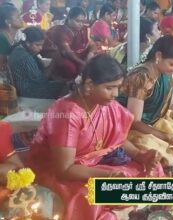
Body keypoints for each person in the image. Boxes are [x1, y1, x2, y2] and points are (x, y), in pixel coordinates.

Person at [28, 54, 163, 220]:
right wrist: (108, 176)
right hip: (63, 172)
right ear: (89, 85)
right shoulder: (67, 114)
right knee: (91, 196)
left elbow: (118, 140)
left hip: (93, 164)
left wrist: (140, 155)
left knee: (152, 169)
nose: (115, 94)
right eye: (109, 87)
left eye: (118, 87)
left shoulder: (106, 104)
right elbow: (64, 170)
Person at [118, 36, 173, 166]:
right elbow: (134, 122)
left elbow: (171, 103)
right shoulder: (141, 77)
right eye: (172, 64)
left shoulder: (166, 74)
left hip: (151, 123)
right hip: (128, 129)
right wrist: (164, 136)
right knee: (159, 154)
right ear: (158, 56)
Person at [8, 27, 67, 99]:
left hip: (28, 87)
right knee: (65, 86)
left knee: (62, 82)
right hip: (29, 92)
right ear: (28, 43)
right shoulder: (24, 57)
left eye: (42, 45)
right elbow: (41, 80)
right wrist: (54, 62)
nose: (41, 48)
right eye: (37, 45)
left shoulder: (19, 49)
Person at [42, 7, 95, 80]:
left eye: (82, 21)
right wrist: (82, 63)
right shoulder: (60, 30)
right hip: (59, 55)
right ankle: (64, 83)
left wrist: (90, 55)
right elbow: (66, 52)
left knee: (97, 57)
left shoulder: (83, 29)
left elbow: (92, 44)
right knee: (71, 68)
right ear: (69, 18)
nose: (81, 24)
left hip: (76, 55)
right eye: (77, 21)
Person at [0, 4, 22, 76]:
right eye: (18, 17)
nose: (21, 19)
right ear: (8, 22)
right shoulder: (2, 38)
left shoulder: (13, 36)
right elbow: (1, 66)